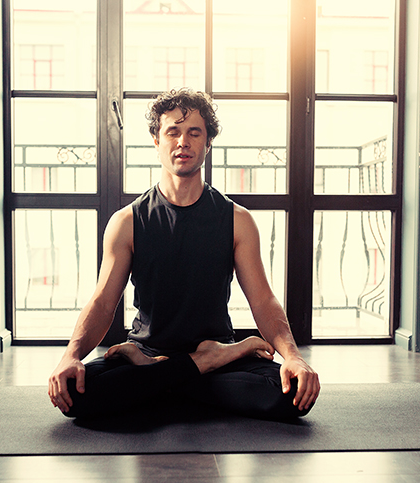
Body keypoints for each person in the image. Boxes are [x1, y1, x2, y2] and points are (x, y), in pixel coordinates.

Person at [48, 88, 320, 421]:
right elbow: (104, 301)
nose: (183, 142)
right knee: (77, 396)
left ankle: (171, 375)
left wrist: (292, 356)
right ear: (156, 140)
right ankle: (206, 362)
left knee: (289, 395)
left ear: (208, 142)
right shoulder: (127, 222)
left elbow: (263, 300)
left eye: (194, 132)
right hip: (150, 350)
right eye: (172, 132)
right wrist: (70, 357)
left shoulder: (238, 220)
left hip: (206, 354)